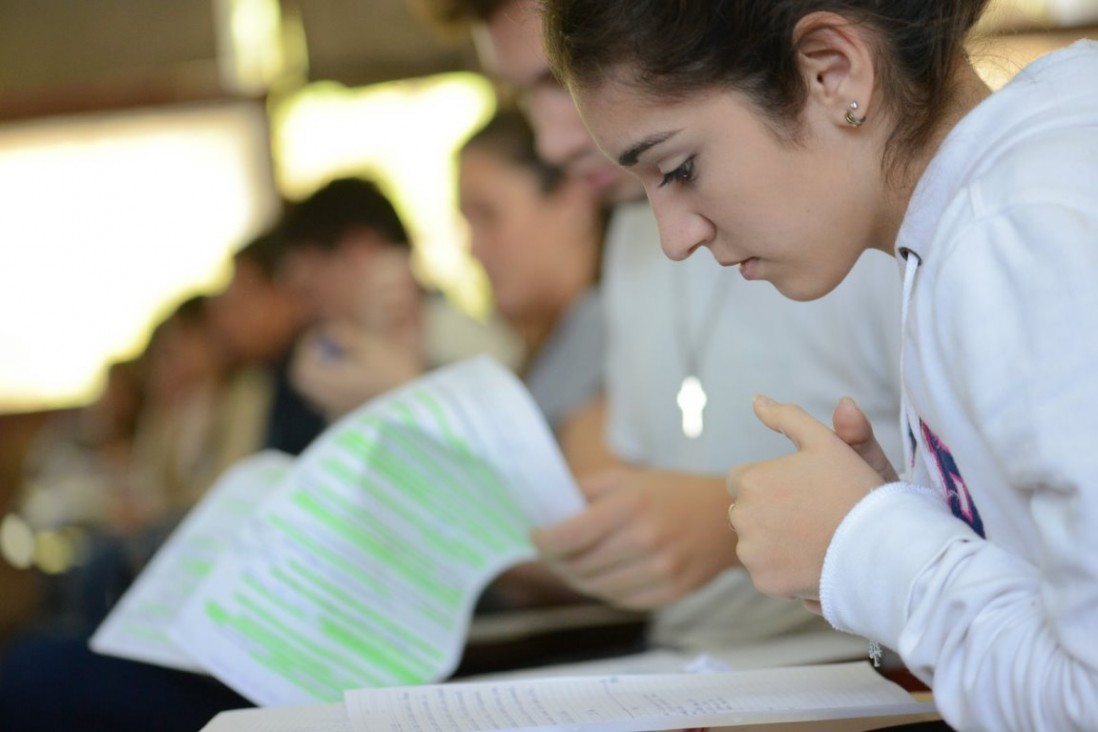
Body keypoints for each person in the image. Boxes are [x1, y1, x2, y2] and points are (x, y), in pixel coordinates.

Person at [542, 0, 1098, 729]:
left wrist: (871, 544)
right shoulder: (987, 203)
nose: (674, 239)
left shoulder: (1013, 234)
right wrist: (911, 514)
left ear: (831, 72)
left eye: (679, 168)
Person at [418, 0, 904, 656]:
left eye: (559, 82)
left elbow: (982, 497)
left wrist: (723, 522)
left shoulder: (849, 215)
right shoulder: (631, 237)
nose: (551, 141)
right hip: (687, 659)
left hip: (852, 654)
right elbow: (629, 484)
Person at [281, 176, 523, 422]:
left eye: (313, 289)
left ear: (361, 252)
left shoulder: (467, 344)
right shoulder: (339, 357)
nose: (309, 310)